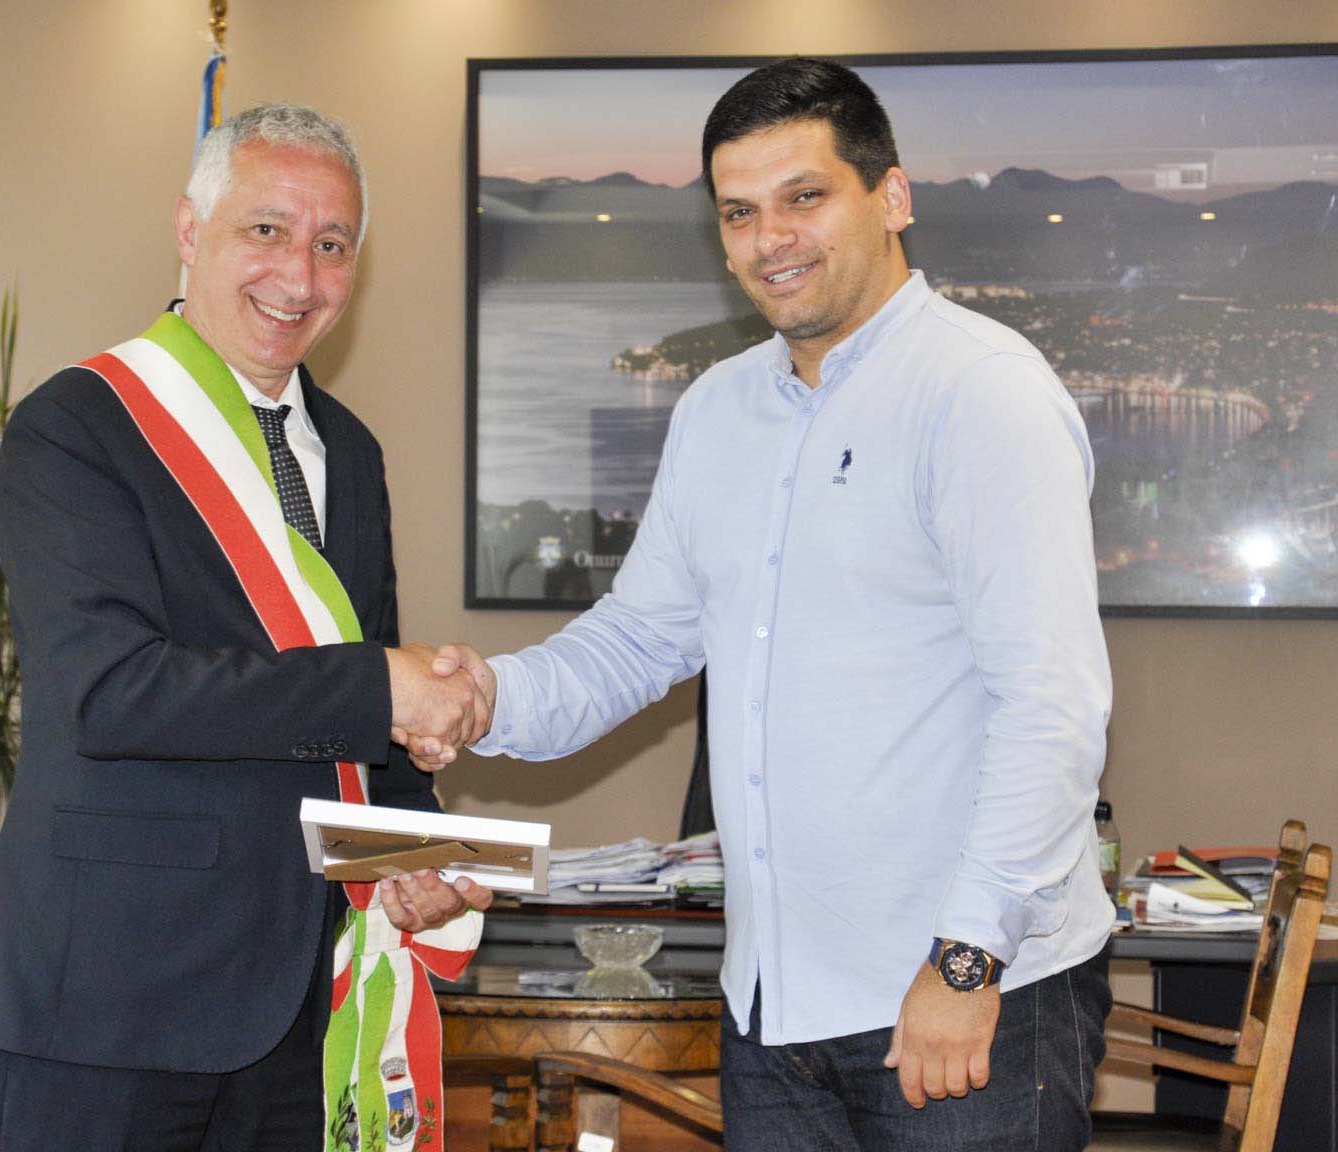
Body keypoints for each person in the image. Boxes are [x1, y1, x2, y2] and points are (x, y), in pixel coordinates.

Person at [418, 58, 1115, 1150]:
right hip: (772, 1010)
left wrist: (966, 959)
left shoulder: (981, 391)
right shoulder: (714, 410)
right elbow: (639, 640)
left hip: (963, 1000)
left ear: (891, 196)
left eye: (805, 196)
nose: (769, 238)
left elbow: (1051, 707)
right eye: (739, 212)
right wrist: (480, 698)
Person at [0, 103, 492, 1151]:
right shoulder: (77, 426)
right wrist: (383, 687)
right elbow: (110, 693)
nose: (299, 276)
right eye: (266, 230)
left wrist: (413, 855)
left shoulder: (351, 451)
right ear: (191, 231)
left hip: (297, 1002)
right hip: (104, 999)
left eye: (333, 245)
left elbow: (364, 719)